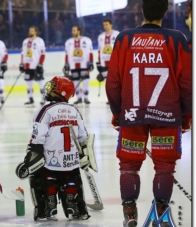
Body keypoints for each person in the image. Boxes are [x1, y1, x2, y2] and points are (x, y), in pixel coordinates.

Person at [105, 0, 192, 226]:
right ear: (165, 11)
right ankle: (161, 212)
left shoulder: (124, 38)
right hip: (167, 113)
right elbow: (187, 83)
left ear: (142, 10)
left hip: (132, 114)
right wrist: (186, 114)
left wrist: (118, 112)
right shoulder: (177, 39)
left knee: (129, 166)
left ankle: (130, 212)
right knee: (165, 166)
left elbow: (113, 82)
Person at [15, 76, 92, 221]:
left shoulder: (45, 110)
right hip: (71, 163)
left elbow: (37, 140)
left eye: (53, 87)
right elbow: (83, 138)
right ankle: (74, 203)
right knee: (71, 174)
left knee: (38, 172)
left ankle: (47, 207)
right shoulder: (75, 110)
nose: (49, 89)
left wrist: (29, 160)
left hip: (51, 163)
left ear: (61, 92)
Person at [63, 25, 94, 105]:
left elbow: (90, 52)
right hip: (73, 66)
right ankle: (79, 98)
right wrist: (66, 64)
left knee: (85, 81)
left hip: (84, 65)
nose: (72, 32)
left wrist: (91, 62)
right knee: (75, 82)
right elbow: (66, 54)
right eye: (72, 30)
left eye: (74, 30)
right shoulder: (68, 42)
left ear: (79, 31)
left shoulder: (87, 40)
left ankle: (86, 98)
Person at [20, 26, 46, 106]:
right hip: (27, 66)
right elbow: (22, 54)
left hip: (36, 66)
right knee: (28, 83)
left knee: (40, 82)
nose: (30, 32)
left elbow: (42, 54)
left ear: (36, 32)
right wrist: (21, 64)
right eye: (29, 30)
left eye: (32, 31)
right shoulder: (25, 41)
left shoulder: (40, 41)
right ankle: (30, 99)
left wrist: (40, 64)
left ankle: (43, 98)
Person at [96, 19, 119, 104]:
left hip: (115, 62)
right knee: (107, 81)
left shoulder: (117, 34)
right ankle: (110, 98)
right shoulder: (101, 37)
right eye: (104, 25)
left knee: (116, 80)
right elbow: (99, 50)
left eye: (106, 24)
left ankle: (118, 97)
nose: (105, 26)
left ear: (111, 25)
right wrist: (98, 62)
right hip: (104, 62)